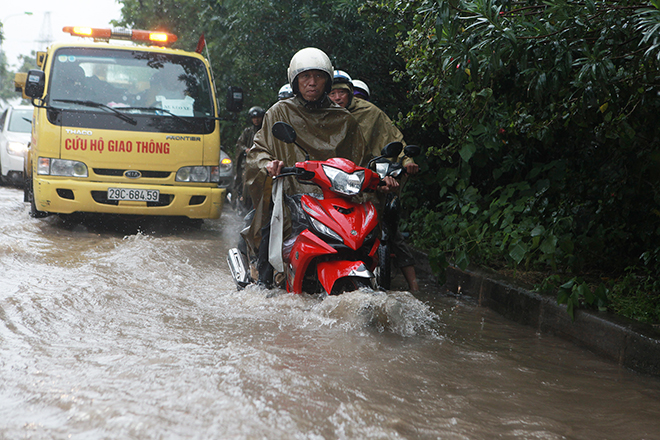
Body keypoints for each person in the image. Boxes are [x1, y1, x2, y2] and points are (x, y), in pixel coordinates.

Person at [244, 48, 374, 287]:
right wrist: (269, 164)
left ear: (328, 81)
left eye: (318, 76)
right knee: (269, 227)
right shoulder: (279, 112)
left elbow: (360, 160)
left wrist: (377, 178)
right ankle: (262, 286)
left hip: (332, 199)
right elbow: (258, 151)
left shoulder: (344, 119)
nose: (312, 83)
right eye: (305, 77)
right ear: (295, 81)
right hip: (289, 195)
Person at [329, 70, 420, 292]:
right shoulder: (317, 115)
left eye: (342, 92)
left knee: (389, 231)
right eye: (332, 93)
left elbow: (393, 139)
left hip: (368, 185)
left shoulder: (371, 114)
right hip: (329, 185)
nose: (337, 97)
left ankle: (414, 288)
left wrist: (406, 161)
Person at [232, 106, 265, 213]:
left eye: (258, 117)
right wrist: (246, 149)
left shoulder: (265, 131)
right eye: (254, 118)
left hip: (262, 162)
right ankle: (241, 202)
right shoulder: (248, 132)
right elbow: (239, 144)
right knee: (243, 180)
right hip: (247, 163)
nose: (256, 120)